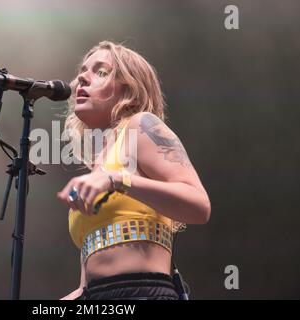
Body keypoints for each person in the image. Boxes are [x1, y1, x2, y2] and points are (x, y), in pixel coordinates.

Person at [57, 41, 211, 300]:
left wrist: (118, 179)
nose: (81, 77)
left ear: (129, 90)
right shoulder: (95, 170)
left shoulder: (141, 127)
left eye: (101, 71)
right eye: (82, 71)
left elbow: (199, 206)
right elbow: (87, 286)